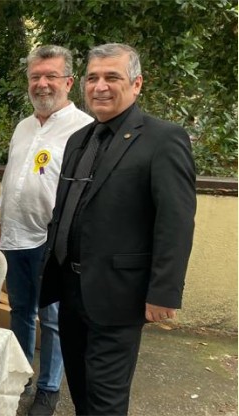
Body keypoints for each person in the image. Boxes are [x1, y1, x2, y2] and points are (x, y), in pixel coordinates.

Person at [39, 43, 196, 415]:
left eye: (112, 77)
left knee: (106, 401)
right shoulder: (80, 139)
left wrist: (164, 292)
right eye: (93, 78)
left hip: (119, 295)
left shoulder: (163, 139)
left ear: (137, 84)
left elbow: (175, 221)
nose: (100, 86)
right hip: (71, 289)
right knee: (80, 390)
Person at [0, 45, 93, 416]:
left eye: (51, 76)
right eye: (35, 76)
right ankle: (21, 377)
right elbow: (11, 179)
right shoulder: (23, 126)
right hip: (17, 236)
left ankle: (50, 388)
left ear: (69, 81)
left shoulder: (84, 128)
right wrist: (3, 225)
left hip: (55, 241)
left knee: (53, 318)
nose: (42, 83)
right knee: (21, 309)